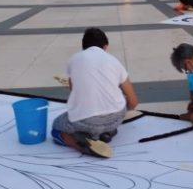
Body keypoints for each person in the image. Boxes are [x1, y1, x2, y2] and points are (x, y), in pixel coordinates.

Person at [51, 28, 138, 158]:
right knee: (118, 100)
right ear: (106, 46)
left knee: (56, 127)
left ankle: (80, 144)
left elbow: (74, 92)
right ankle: (106, 133)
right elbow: (133, 102)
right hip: (116, 118)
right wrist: (122, 112)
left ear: (83, 46)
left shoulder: (74, 59)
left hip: (87, 121)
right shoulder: (115, 61)